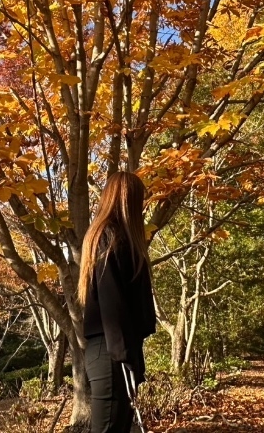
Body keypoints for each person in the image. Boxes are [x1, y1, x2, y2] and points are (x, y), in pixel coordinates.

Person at [78, 171, 156, 433]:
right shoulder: (109, 237)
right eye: (139, 200)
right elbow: (111, 300)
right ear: (127, 199)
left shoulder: (119, 239)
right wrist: (124, 355)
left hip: (115, 349)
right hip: (112, 351)